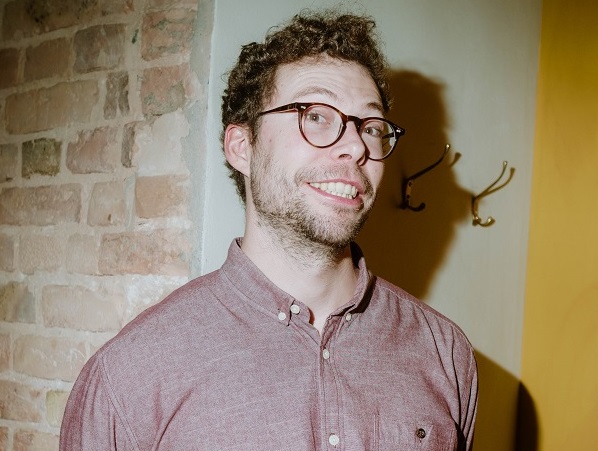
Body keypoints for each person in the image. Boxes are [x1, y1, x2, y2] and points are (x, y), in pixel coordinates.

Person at [60, 9, 477, 450]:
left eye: (371, 127)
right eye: (315, 115)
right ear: (242, 147)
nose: (356, 146)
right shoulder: (131, 374)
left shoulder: (445, 351)